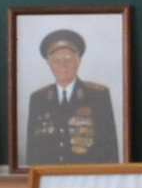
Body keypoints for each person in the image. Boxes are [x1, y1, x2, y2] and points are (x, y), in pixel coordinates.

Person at [18, 26, 121, 166]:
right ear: (49, 64)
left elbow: (110, 147)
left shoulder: (98, 95)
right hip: (49, 175)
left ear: (78, 62)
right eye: (57, 60)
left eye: (68, 59)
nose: (63, 65)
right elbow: (32, 151)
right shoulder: (38, 99)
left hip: (87, 174)